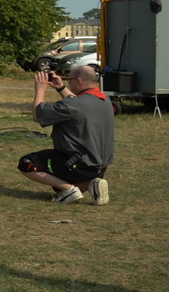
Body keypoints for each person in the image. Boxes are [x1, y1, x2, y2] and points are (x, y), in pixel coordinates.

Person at [19, 66, 113, 205]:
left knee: (27, 163)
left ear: (78, 81)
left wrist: (40, 90)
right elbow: (77, 102)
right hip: (99, 168)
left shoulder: (73, 105)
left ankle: (69, 190)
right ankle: (92, 184)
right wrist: (61, 87)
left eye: (69, 80)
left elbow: (38, 115)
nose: (69, 83)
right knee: (57, 188)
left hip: (78, 166)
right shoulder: (104, 100)